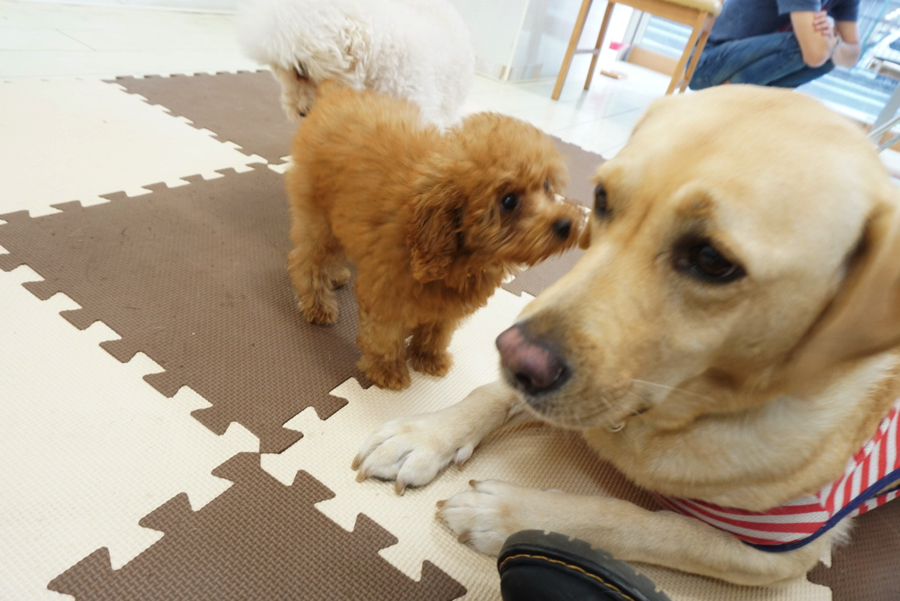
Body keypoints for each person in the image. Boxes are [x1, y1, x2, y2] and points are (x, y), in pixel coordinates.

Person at [689, 0, 862, 90]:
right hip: (705, 65)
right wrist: (826, 41)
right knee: (799, 46)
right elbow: (814, 55)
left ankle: (747, 100)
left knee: (830, 60)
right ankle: (725, 99)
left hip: (745, 69)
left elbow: (851, 55)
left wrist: (835, 41)